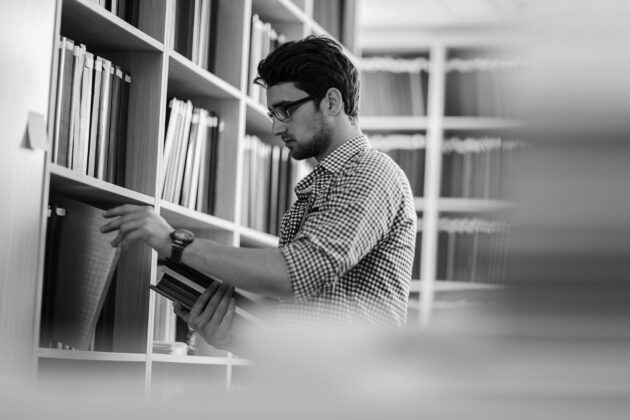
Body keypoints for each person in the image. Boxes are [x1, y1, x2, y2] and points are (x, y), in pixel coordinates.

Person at [101, 35, 416, 353]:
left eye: (286, 110)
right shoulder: (325, 185)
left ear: (332, 102)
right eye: (272, 114)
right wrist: (229, 336)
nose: (277, 128)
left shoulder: (372, 173)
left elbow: (295, 273)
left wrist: (175, 244)